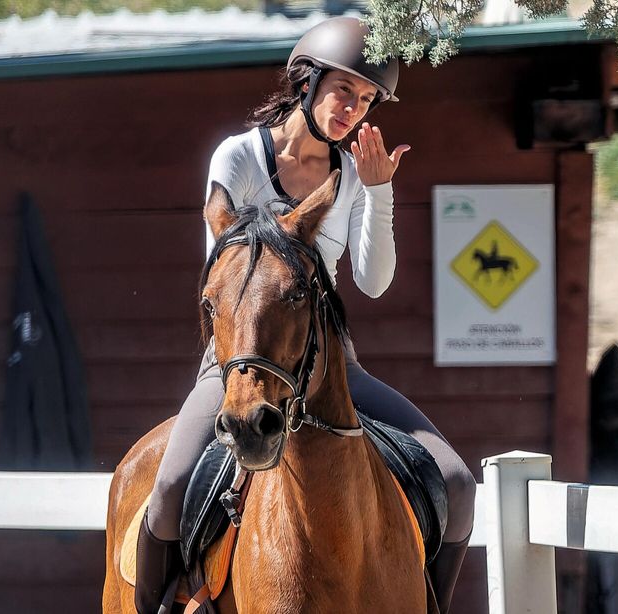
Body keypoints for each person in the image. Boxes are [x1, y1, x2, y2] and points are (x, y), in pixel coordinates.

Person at [135, 16, 476, 614]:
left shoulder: (351, 178)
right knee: (166, 488)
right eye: (344, 90)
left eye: (366, 99)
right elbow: (222, 276)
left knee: (456, 484)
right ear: (307, 81)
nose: (353, 109)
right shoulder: (238, 157)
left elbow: (371, 283)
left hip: (332, 365)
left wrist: (377, 191)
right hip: (240, 358)